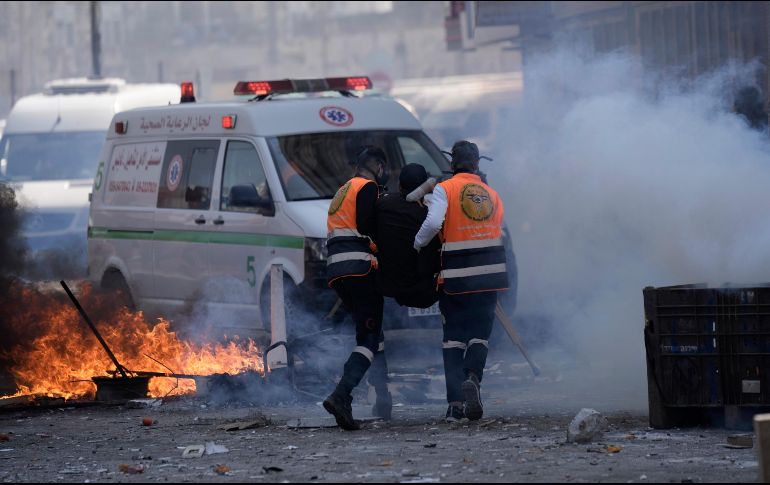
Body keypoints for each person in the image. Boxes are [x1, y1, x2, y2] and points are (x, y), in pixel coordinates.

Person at [413, 140, 509, 422]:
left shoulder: (446, 188)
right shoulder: (492, 194)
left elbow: (432, 224)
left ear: (452, 164)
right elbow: (498, 229)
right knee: (480, 335)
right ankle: (473, 378)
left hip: (456, 277)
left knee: (453, 340)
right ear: (477, 164)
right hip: (490, 275)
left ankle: (455, 405)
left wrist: (417, 244)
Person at [323, 145, 392, 430]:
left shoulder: (344, 190)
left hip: (338, 270)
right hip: (360, 267)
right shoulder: (367, 188)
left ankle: (382, 397)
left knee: (372, 332)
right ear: (377, 166)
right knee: (368, 339)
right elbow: (366, 226)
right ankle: (342, 394)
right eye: (383, 168)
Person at [374, 163, 440, 308]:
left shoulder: (382, 205)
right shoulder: (429, 215)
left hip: (387, 287)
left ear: (399, 185)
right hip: (421, 290)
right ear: (426, 189)